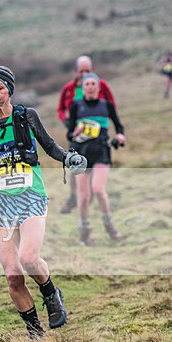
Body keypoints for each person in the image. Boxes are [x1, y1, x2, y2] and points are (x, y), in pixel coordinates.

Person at [0, 66, 87, 339]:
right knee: (13, 277)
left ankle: (50, 293)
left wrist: (68, 158)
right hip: (1, 204)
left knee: (28, 258)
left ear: (10, 91)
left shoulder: (26, 116)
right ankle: (35, 335)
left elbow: (49, 146)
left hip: (31, 197)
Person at [66, 73, 126, 245]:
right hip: (82, 153)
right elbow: (69, 134)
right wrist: (75, 133)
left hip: (101, 151)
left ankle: (109, 225)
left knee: (98, 189)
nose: (91, 87)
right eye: (87, 84)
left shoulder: (106, 105)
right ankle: (84, 230)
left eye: (94, 84)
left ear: (99, 88)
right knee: (84, 196)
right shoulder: (76, 106)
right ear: (83, 88)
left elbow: (119, 126)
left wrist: (120, 136)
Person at [56, 55, 116, 214]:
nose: (84, 74)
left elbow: (111, 106)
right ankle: (73, 198)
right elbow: (60, 109)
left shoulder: (101, 85)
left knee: (93, 171)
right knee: (75, 169)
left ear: (93, 70)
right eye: (81, 71)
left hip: (97, 137)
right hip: (77, 136)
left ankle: (90, 198)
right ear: (75, 71)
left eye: (87, 71)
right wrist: (66, 121)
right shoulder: (68, 89)